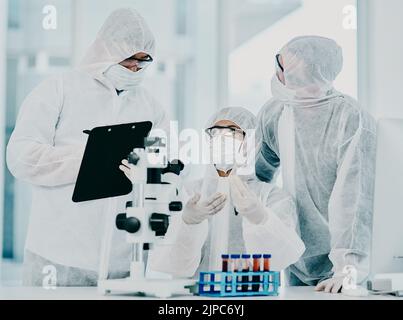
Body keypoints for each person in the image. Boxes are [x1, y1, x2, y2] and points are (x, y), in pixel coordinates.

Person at [7, 8, 169, 286]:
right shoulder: (59, 89)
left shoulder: (150, 107)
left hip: (124, 259)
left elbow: (164, 167)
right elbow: (21, 157)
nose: (135, 70)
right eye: (130, 60)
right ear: (107, 50)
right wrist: (88, 158)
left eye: (143, 63)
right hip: (58, 257)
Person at [256, 36, 377, 293]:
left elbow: (355, 198)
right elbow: (257, 182)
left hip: (344, 265)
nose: (277, 73)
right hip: (295, 257)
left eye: (283, 67)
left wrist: (348, 269)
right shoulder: (275, 113)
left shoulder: (350, 117)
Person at [130, 107, 306, 278]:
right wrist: (188, 222)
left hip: (251, 293)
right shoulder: (187, 193)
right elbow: (170, 266)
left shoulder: (271, 198)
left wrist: (260, 218)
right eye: (215, 133)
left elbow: (284, 257)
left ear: (252, 143)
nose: (222, 139)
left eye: (232, 132)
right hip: (195, 296)